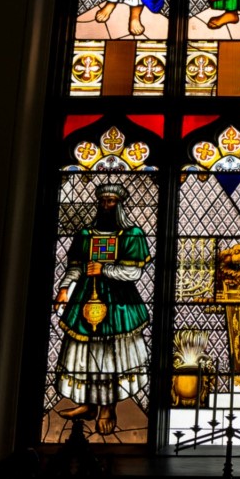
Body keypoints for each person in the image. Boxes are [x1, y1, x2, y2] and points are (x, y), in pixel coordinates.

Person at [54, 183, 151, 436]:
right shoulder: (85, 234)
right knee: (85, 352)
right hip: (86, 299)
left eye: (111, 202)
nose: (106, 206)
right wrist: (65, 288)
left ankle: (108, 408)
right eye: (103, 201)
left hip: (119, 302)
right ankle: (88, 404)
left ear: (120, 204)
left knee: (111, 353)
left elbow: (134, 272)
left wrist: (105, 270)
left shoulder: (132, 234)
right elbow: (76, 266)